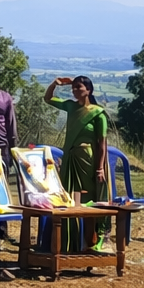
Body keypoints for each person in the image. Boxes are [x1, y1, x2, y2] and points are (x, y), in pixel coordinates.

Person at [46, 75, 110, 252]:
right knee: (67, 199)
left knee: (88, 200)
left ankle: (91, 242)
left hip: (88, 161)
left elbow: (101, 144)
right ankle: (68, 243)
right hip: (70, 160)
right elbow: (48, 99)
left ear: (88, 90)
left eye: (79, 88)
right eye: (73, 88)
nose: (75, 91)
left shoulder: (97, 113)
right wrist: (55, 84)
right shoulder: (70, 106)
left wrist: (99, 168)